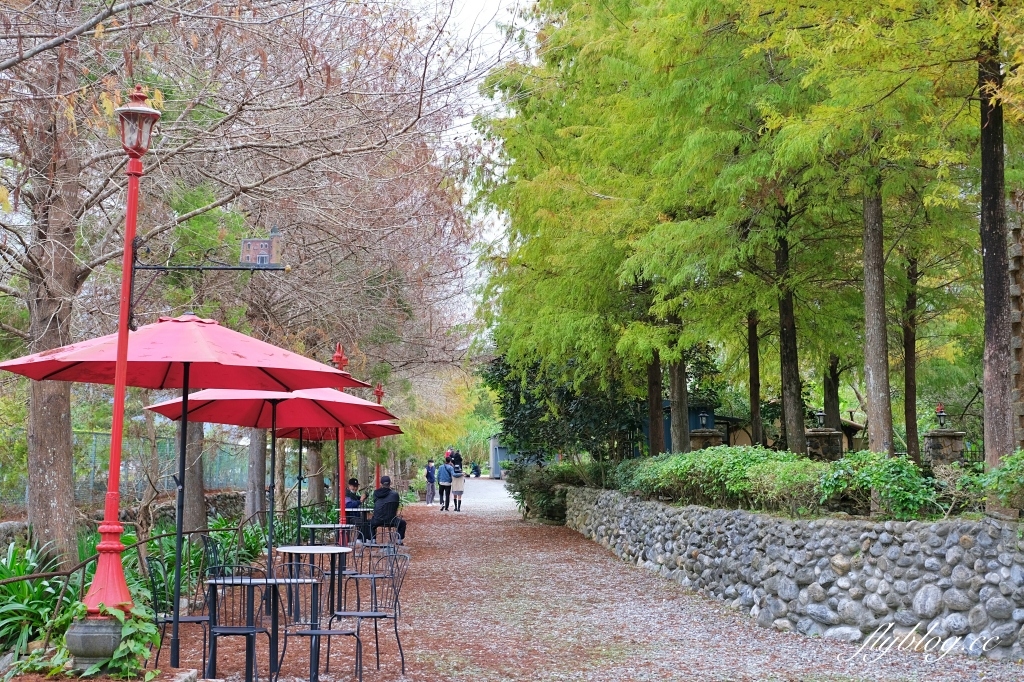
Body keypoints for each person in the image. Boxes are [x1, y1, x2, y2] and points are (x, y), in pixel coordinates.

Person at [370, 476, 406, 544]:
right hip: (392, 520)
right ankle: (399, 541)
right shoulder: (395, 494)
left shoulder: (375, 493)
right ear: (390, 483)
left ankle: (373, 540)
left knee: (370, 523)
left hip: (377, 520)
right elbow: (396, 506)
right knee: (402, 523)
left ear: (381, 484)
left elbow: (376, 504)